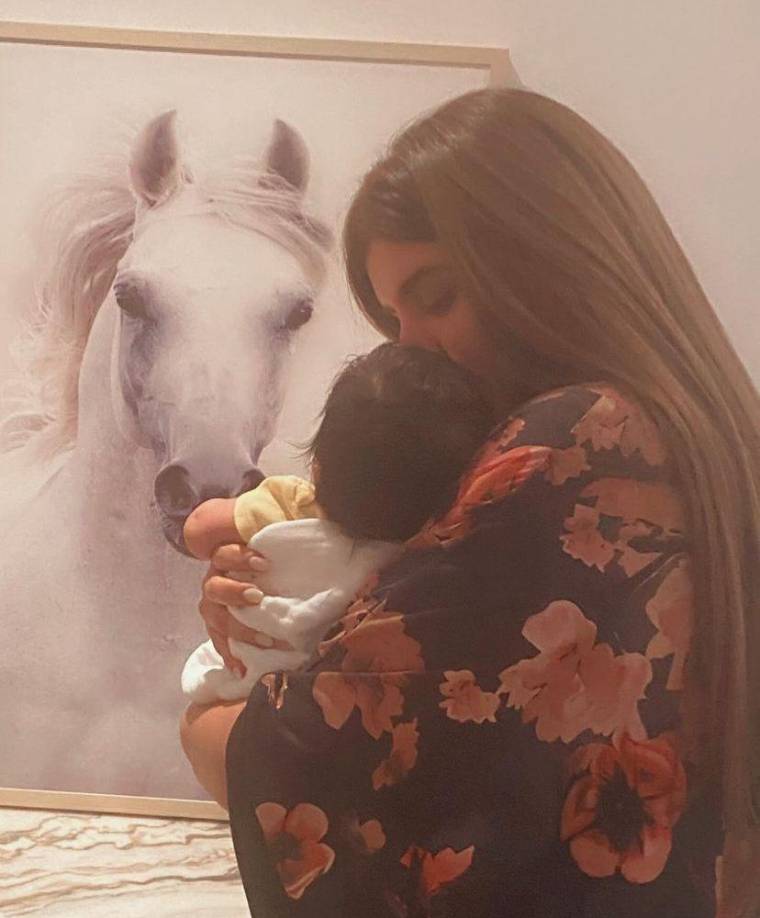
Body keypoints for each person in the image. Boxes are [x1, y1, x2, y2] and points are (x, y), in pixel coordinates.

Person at [180, 88, 760, 917]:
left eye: (440, 295)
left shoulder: (560, 450)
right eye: (394, 317)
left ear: (546, 258)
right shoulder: (690, 430)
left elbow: (303, 763)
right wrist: (276, 590)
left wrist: (214, 698)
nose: (412, 347)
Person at [180, 343, 493, 704]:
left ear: (317, 468)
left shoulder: (291, 505)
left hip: (247, 677)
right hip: (320, 700)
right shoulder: (426, 554)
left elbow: (198, 530)